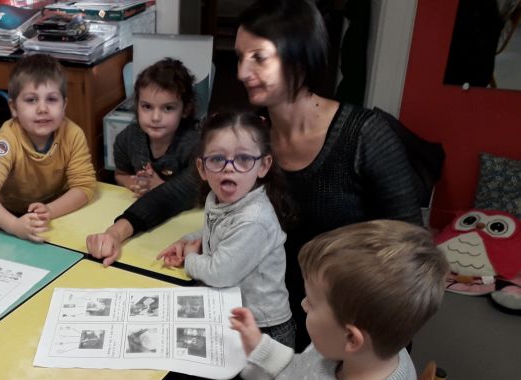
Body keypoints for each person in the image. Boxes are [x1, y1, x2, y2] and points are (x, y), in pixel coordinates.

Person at [235, 0, 423, 349]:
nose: (242, 72)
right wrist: (128, 224)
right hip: (274, 309)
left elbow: (411, 252)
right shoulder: (254, 135)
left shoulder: (365, 135)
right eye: (240, 58)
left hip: (347, 326)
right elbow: (191, 182)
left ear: (299, 57)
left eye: (258, 57)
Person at [194, 220, 448, 380]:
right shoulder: (384, 352)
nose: (303, 305)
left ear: (351, 338)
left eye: (313, 303)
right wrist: (260, 348)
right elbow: (305, 376)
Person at [158, 112, 293, 347]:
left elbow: (219, 274)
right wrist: (187, 241)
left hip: (264, 329)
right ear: (202, 168)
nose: (229, 168)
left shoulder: (254, 219)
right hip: (233, 314)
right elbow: (218, 231)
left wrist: (190, 257)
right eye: (217, 159)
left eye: (243, 159)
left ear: (263, 166)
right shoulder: (217, 197)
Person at [86, 59, 202, 266]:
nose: (155, 117)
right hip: (141, 218)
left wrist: (160, 186)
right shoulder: (126, 139)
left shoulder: (195, 145)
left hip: (182, 226)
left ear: (185, 109)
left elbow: (189, 193)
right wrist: (135, 184)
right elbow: (120, 174)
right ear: (136, 106)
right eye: (147, 107)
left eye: (168, 108)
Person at [0, 53, 97, 242]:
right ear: (14, 108)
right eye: (31, 100)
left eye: (51, 99)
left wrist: (50, 210)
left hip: (55, 210)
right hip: (8, 214)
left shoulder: (73, 134)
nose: (42, 109)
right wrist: (13, 225)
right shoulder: (8, 138)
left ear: (64, 105)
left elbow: (84, 186)